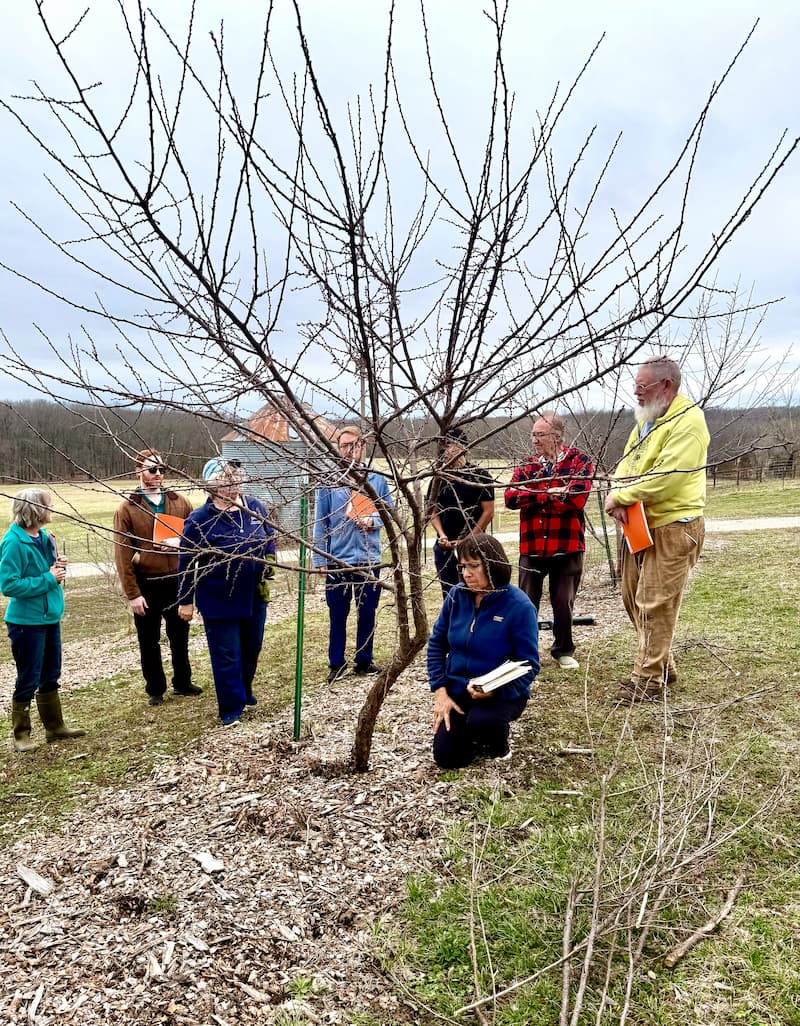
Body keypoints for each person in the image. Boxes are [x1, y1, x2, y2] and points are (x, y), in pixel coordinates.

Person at [604, 356, 709, 702]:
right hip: (639, 524)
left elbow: (668, 478)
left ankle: (647, 680)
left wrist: (620, 495)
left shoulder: (689, 421)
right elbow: (626, 465)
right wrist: (617, 494)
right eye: (634, 387)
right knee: (631, 597)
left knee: (654, 603)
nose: (636, 393)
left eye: (642, 387)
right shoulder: (645, 424)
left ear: (667, 386)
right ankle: (663, 666)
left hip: (674, 526)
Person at [178, 460, 276, 726]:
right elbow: (186, 562)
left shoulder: (254, 508)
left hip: (253, 595)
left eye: (235, 476)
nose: (232, 482)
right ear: (211, 484)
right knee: (227, 654)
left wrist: (269, 560)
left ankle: (244, 690)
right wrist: (185, 600)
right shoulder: (199, 520)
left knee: (251, 647)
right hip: (219, 598)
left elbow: (269, 538)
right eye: (225, 477)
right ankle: (231, 708)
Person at [428, 533, 539, 769]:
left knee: (483, 724)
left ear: (493, 564)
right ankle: (469, 732)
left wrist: (495, 690)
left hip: (501, 693)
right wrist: (440, 692)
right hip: (458, 688)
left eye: (474, 566)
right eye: (463, 566)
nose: (466, 573)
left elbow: (529, 664)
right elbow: (436, 644)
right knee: (447, 758)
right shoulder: (456, 596)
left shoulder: (519, 606)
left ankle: (499, 743)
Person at [504, 413, 594, 670]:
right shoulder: (527, 464)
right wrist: (548, 494)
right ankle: (524, 653)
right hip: (532, 547)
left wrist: (531, 493)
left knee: (562, 602)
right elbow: (510, 498)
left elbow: (576, 500)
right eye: (533, 434)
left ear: (556, 436)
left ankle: (563, 650)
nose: (534, 440)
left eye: (539, 435)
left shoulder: (579, 461)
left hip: (566, 546)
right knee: (525, 602)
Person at [113, 449, 200, 707]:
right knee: (148, 640)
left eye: (162, 469)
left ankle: (183, 682)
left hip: (176, 579)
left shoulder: (180, 502)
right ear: (139, 471)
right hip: (147, 583)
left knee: (180, 635)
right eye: (153, 470)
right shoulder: (127, 509)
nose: (159, 474)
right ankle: (155, 688)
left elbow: (198, 539)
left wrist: (180, 542)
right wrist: (133, 593)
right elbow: (122, 554)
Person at [1, 488, 85, 752]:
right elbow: (8, 585)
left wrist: (59, 566)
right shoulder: (13, 542)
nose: (52, 509)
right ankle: (21, 735)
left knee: (51, 673)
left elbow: (50, 573)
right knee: (29, 675)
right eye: (49, 505)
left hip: (50, 617)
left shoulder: (46, 537)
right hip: (26, 622)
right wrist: (49, 577)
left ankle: (54, 727)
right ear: (36, 509)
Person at [312, 426, 394, 683]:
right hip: (339, 560)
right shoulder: (328, 481)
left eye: (354, 445)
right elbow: (320, 522)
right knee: (338, 613)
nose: (349, 450)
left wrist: (372, 520)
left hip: (369, 558)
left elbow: (389, 513)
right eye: (344, 445)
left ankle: (364, 659)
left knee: (367, 610)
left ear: (363, 447)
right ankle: (336, 663)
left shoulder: (377, 479)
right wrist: (320, 559)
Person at [426, 428, 495, 597]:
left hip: (475, 545)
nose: (446, 451)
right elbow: (431, 510)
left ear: (463, 448)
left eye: (450, 446)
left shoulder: (480, 476)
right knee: (450, 595)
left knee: (476, 592)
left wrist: (469, 539)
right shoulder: (439, 477)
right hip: (445, 547)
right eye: (443, 447)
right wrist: (441, 535)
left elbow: (488, 512)